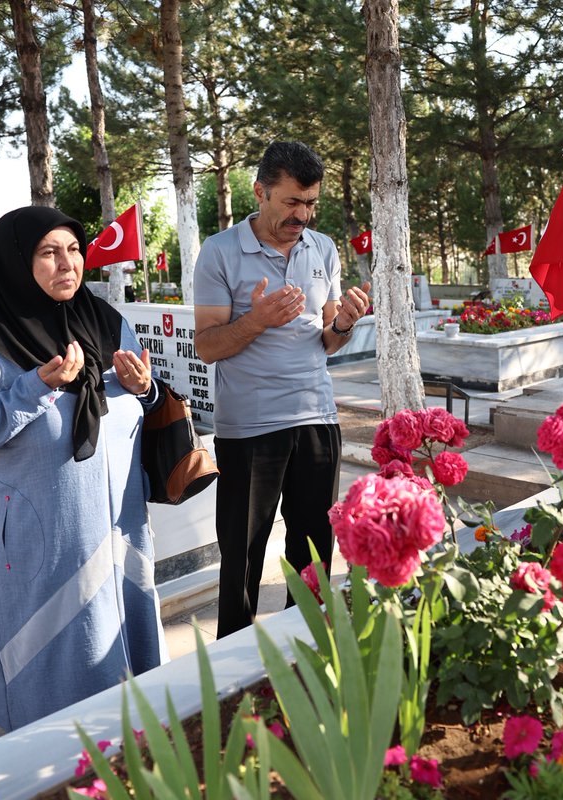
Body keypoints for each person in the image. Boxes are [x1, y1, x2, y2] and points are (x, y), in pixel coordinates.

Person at [0, 206, 168, 731]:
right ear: (16, 262)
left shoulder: (107, 322)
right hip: (43, 533)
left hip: (119, 524)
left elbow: (143, 401)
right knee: (54, 667)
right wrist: (34, 387)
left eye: (74, 250)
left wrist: (146, 389)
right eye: (48, 252)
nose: (68, 264)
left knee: (125, 654)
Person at [194, 141, 370, 639]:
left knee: (314, 556)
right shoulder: (219, 251)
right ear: (261, 192)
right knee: (243, 558)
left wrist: (346, 324)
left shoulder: (323, 248)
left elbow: (327, 340)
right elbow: (207, 346)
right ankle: (233, 669)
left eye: (311, 203)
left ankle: (307, 652)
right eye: (292, 202)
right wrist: (256, 321)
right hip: (249, 428)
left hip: (317, 418)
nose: (303, 215)